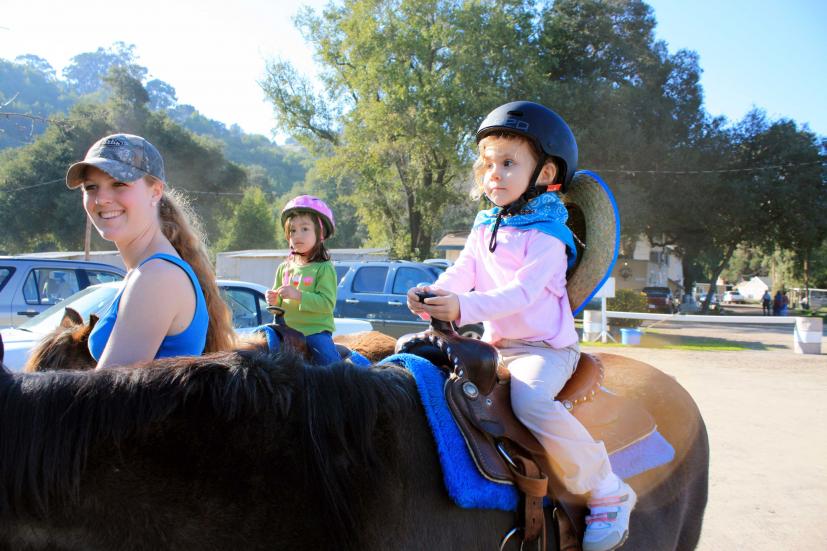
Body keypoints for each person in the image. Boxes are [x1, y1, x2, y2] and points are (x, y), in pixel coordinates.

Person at [407, 101, 635, 551]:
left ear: (546, 172)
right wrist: (434, 292)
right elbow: (463, 274)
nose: (494, 173)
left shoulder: (550, 235)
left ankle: (607, 488)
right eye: (489, 164)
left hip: (544, 350)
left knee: (530, 402)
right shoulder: (485, 225)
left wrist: (462, 308)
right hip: (499, 343)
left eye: (509, 163)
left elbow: (521, 294)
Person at [66, 133, 235, 369]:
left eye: (119, 184)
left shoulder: (157, 276)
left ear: (155, 192)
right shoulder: (148, 270)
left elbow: (104, 398)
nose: (101, 199)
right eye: (91, 187)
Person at [265, 195, 339, 366]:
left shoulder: (323, 268)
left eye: (305, 229)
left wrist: (298, 295)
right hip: (285, 330)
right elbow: (278, 306)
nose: (297, 235)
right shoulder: (284, 268)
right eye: (292, 230)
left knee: (330, 366)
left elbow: (327, 303)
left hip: (314, 332)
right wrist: (273, 300)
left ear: (320, 234)